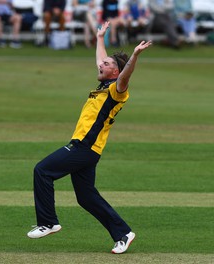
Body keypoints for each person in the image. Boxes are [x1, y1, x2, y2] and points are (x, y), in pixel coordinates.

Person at [27, 21, 152, 254]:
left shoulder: (117, 89)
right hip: (86, 149)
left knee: (42, 170)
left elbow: (126, 75)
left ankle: (48, 222)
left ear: (116, 71)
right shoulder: (104, 84)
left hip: (85, 148)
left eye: (107, 64)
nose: (101, 64)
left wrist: (135, 55)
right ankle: (123, 232)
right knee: (85, 197)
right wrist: (100, 38)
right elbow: (101, 60)